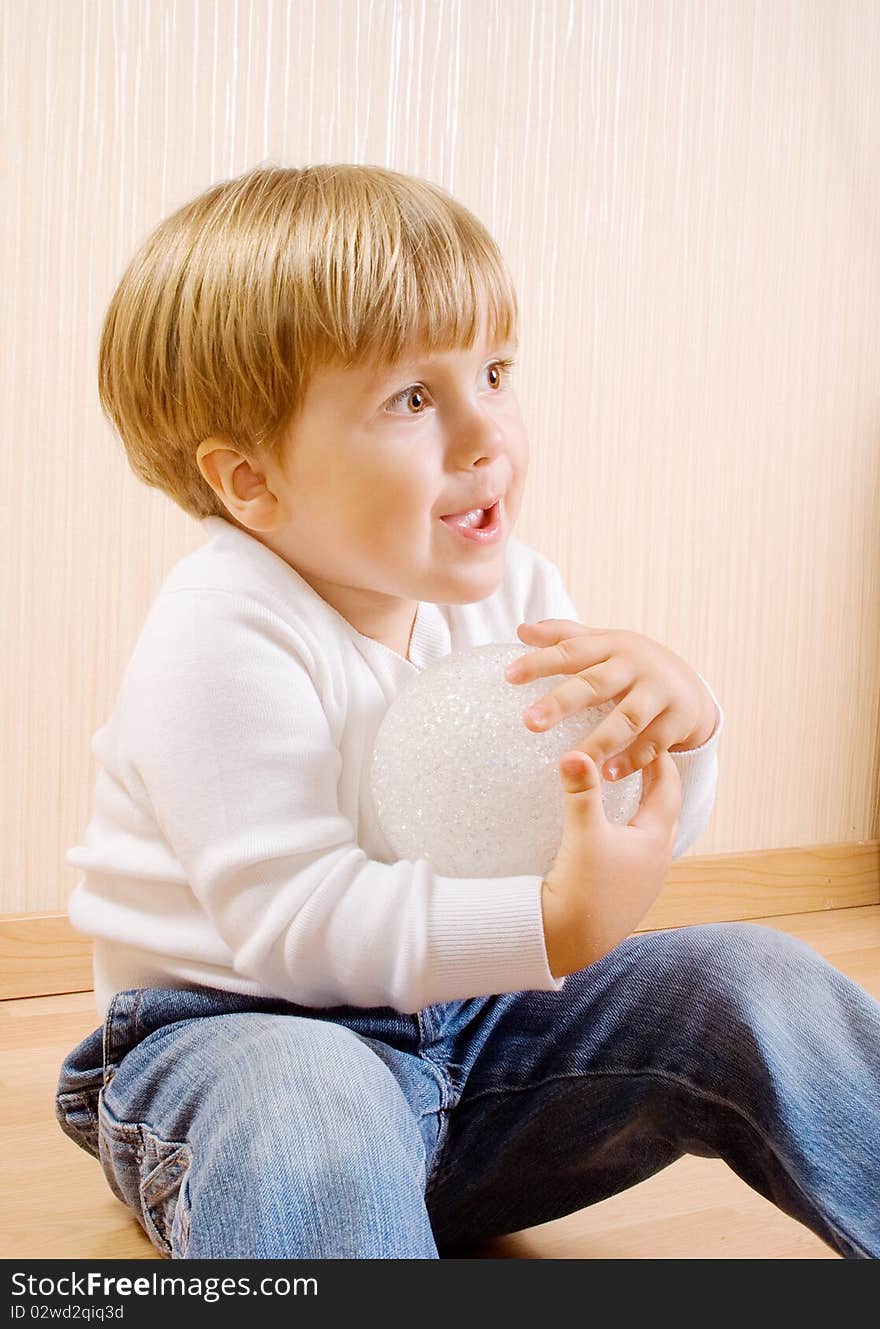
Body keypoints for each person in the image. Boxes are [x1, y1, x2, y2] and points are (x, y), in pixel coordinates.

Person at [56, 164, 880, 1261]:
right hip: (237, 1053)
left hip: (476, 1042)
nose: (486, 432)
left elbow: (588, 836)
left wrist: (674, 737)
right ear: (249, 481)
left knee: (752, 978)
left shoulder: (514, 592)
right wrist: (553, 928)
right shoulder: (219, 635)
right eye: (411, 398)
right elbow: (295, 925)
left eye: (493, 371)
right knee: (317, 1104)